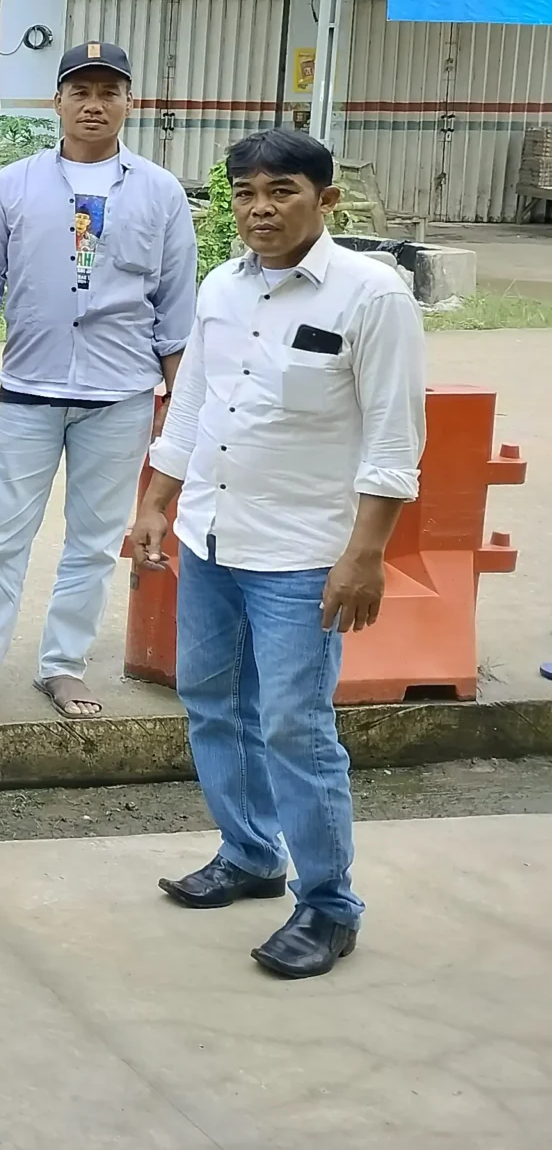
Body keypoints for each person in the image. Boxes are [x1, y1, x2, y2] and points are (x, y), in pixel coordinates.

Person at [131, 130, 424, 980]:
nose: (261, 209)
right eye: (247, 192)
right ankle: (251, 853)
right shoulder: (221, 286)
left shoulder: (373, 297)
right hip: (212, 539)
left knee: (296, 724)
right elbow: (191, 403)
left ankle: (330, 904)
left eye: (283, 191)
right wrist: (157, 501)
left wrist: (365, 555)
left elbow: (395, 441)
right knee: (210, 699)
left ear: (325, 201)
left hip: (303, 553)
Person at [0, 41, 197, 722]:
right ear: (58, 102)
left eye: (109, 92)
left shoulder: (160, 193)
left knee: (95, 540)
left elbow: (175, 308)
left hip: (121, 394)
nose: (94, 104)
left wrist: (174, 404)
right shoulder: (13, 187)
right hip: (32, 390)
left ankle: (63, 666)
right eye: (81, 91)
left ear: (130, 102)